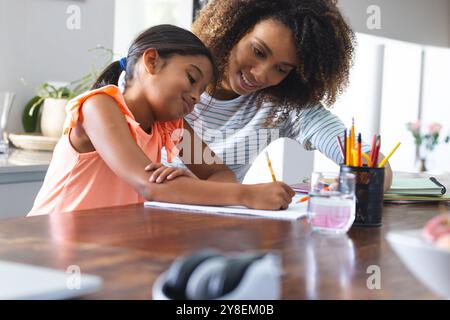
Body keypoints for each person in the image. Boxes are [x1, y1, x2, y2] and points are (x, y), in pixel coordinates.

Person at [28, 25, 295, 216]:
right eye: (192, 79)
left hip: (104, 252)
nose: (194, 97)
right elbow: (148, 186)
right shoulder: (99, 107)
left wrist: (190, 184)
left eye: (201, 91)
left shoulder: (172, 127)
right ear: (152, 61)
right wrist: (247, 195)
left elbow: (220, 173)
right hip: (50, 250)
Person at [159, 0, 392, 190]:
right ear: (233, 30)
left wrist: (360, 177)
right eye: (258, 51)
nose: (261, 75)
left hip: (217, 236)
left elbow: (370, 161)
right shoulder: (169, 81)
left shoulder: (281, 105)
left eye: (281, 69)